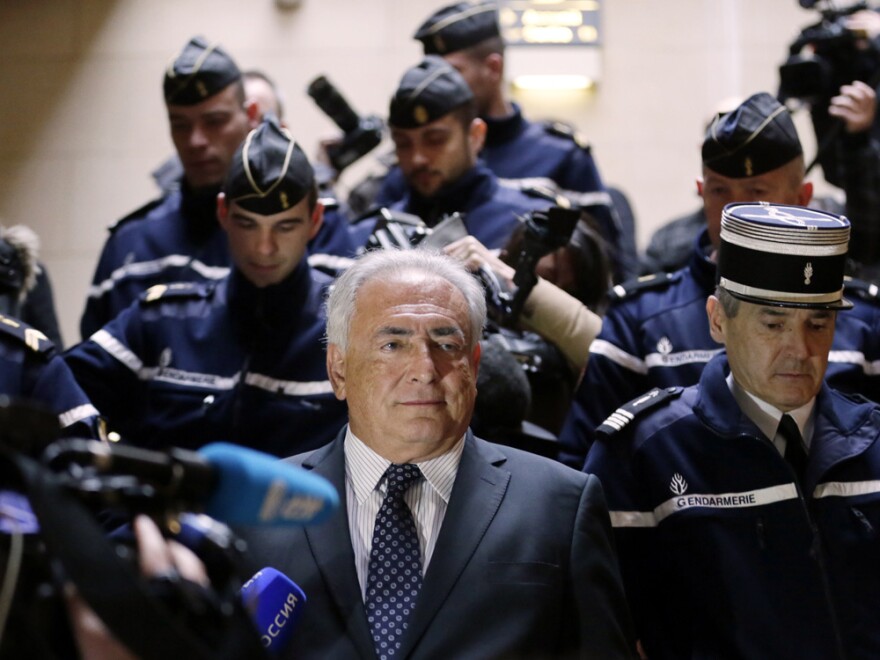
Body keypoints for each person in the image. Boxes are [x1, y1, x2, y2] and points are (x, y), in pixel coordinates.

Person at [237, 248, 636, 659]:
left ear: (475, 366)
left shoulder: (561, 505)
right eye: (393, 344)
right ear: (338, 369)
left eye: (446, 344)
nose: (425, 369)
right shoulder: (257, 508)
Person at [585, 202, 880, 658]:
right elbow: (606, 632)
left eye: (818, 324)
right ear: (718, 320)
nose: (799, 349)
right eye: (773, 323)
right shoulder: (645, 453)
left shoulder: (873, 442)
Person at [558, 92, 880, 468]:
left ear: (802, 196)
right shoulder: (641, 317)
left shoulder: (861, 318)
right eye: (719, 190)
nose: (734, 210)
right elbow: (582, 466)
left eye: (757, 193)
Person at [64, 117, 348, 456]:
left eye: (285, 227)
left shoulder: (348, 329)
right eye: (247, 224)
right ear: (223, 213)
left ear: (315, 220)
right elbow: (52, 391)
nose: (264, 247)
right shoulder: (162, 319)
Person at [371, 1, 635, 280]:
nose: (437, 82)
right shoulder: (412, 165)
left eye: (452, 72)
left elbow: (603, 269)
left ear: (493, 68)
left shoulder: (560, 154)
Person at [80, 36, 260, 341]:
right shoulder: (130, 247)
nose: (195, 141)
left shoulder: (292, 233)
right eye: (180, 124)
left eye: (214, 121)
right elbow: (94, 378)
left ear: (251, 117)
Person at [352, 56, 554, 252]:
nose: (417, 158)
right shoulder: (367, 235)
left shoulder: (530, 225)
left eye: (435, 140)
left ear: (475, 136)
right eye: (403, 144)